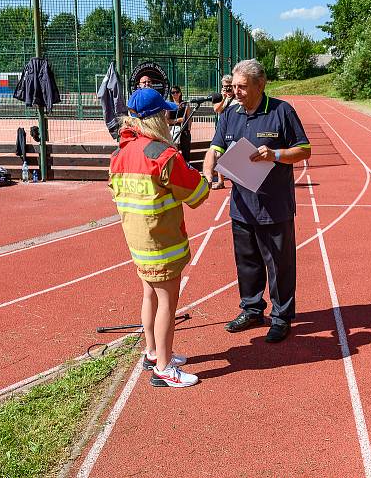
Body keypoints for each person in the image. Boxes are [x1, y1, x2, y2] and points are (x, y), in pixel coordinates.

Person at [202, 59, 311, 343]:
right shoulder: (229, 114)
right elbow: (215, 149)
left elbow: (304, 149)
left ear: (260, 85)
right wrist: (208, 171)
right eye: (233, 86)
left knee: (279, 264)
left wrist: (274, 155)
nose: (235, 92)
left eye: (241, 87)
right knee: (247, 263)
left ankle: (282, 317)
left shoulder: (281, 111)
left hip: (275, 206)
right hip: (241, 205)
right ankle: (251, 310)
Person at [109, 88, 210, 388]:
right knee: (168, 302)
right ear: (156, 118)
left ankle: (153, 352)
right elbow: (197, 194)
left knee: (149, 296)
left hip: (138, 243)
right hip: (163, 243)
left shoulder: (119, 154)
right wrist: (198, 174)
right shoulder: (163, 155)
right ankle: (164, 369)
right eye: (166, 113)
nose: (170, 117)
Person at [210, 74, 237, 189]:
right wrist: (224, 97)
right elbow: (216, 109)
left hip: (235, 129)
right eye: (225, 86)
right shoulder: (220, 97)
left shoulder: (238, 97)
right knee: (219, 154)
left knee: (235, 154)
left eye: (229, 86)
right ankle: (221, 181)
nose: (227, 88)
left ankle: (238, 180)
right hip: (223, 130)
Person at [168, 85, 193, 164]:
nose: (175, 94)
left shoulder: (185, 104)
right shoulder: (169, 105)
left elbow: (189, 118)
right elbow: (167, 120)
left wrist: (188, 129)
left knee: (186, 149)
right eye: (173, 92)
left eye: (177, 92)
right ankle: (175, 165)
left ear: (180, 93)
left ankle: (187, 165)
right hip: (174, 129)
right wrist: (177, 120)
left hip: (184, 129)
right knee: (174, 148)